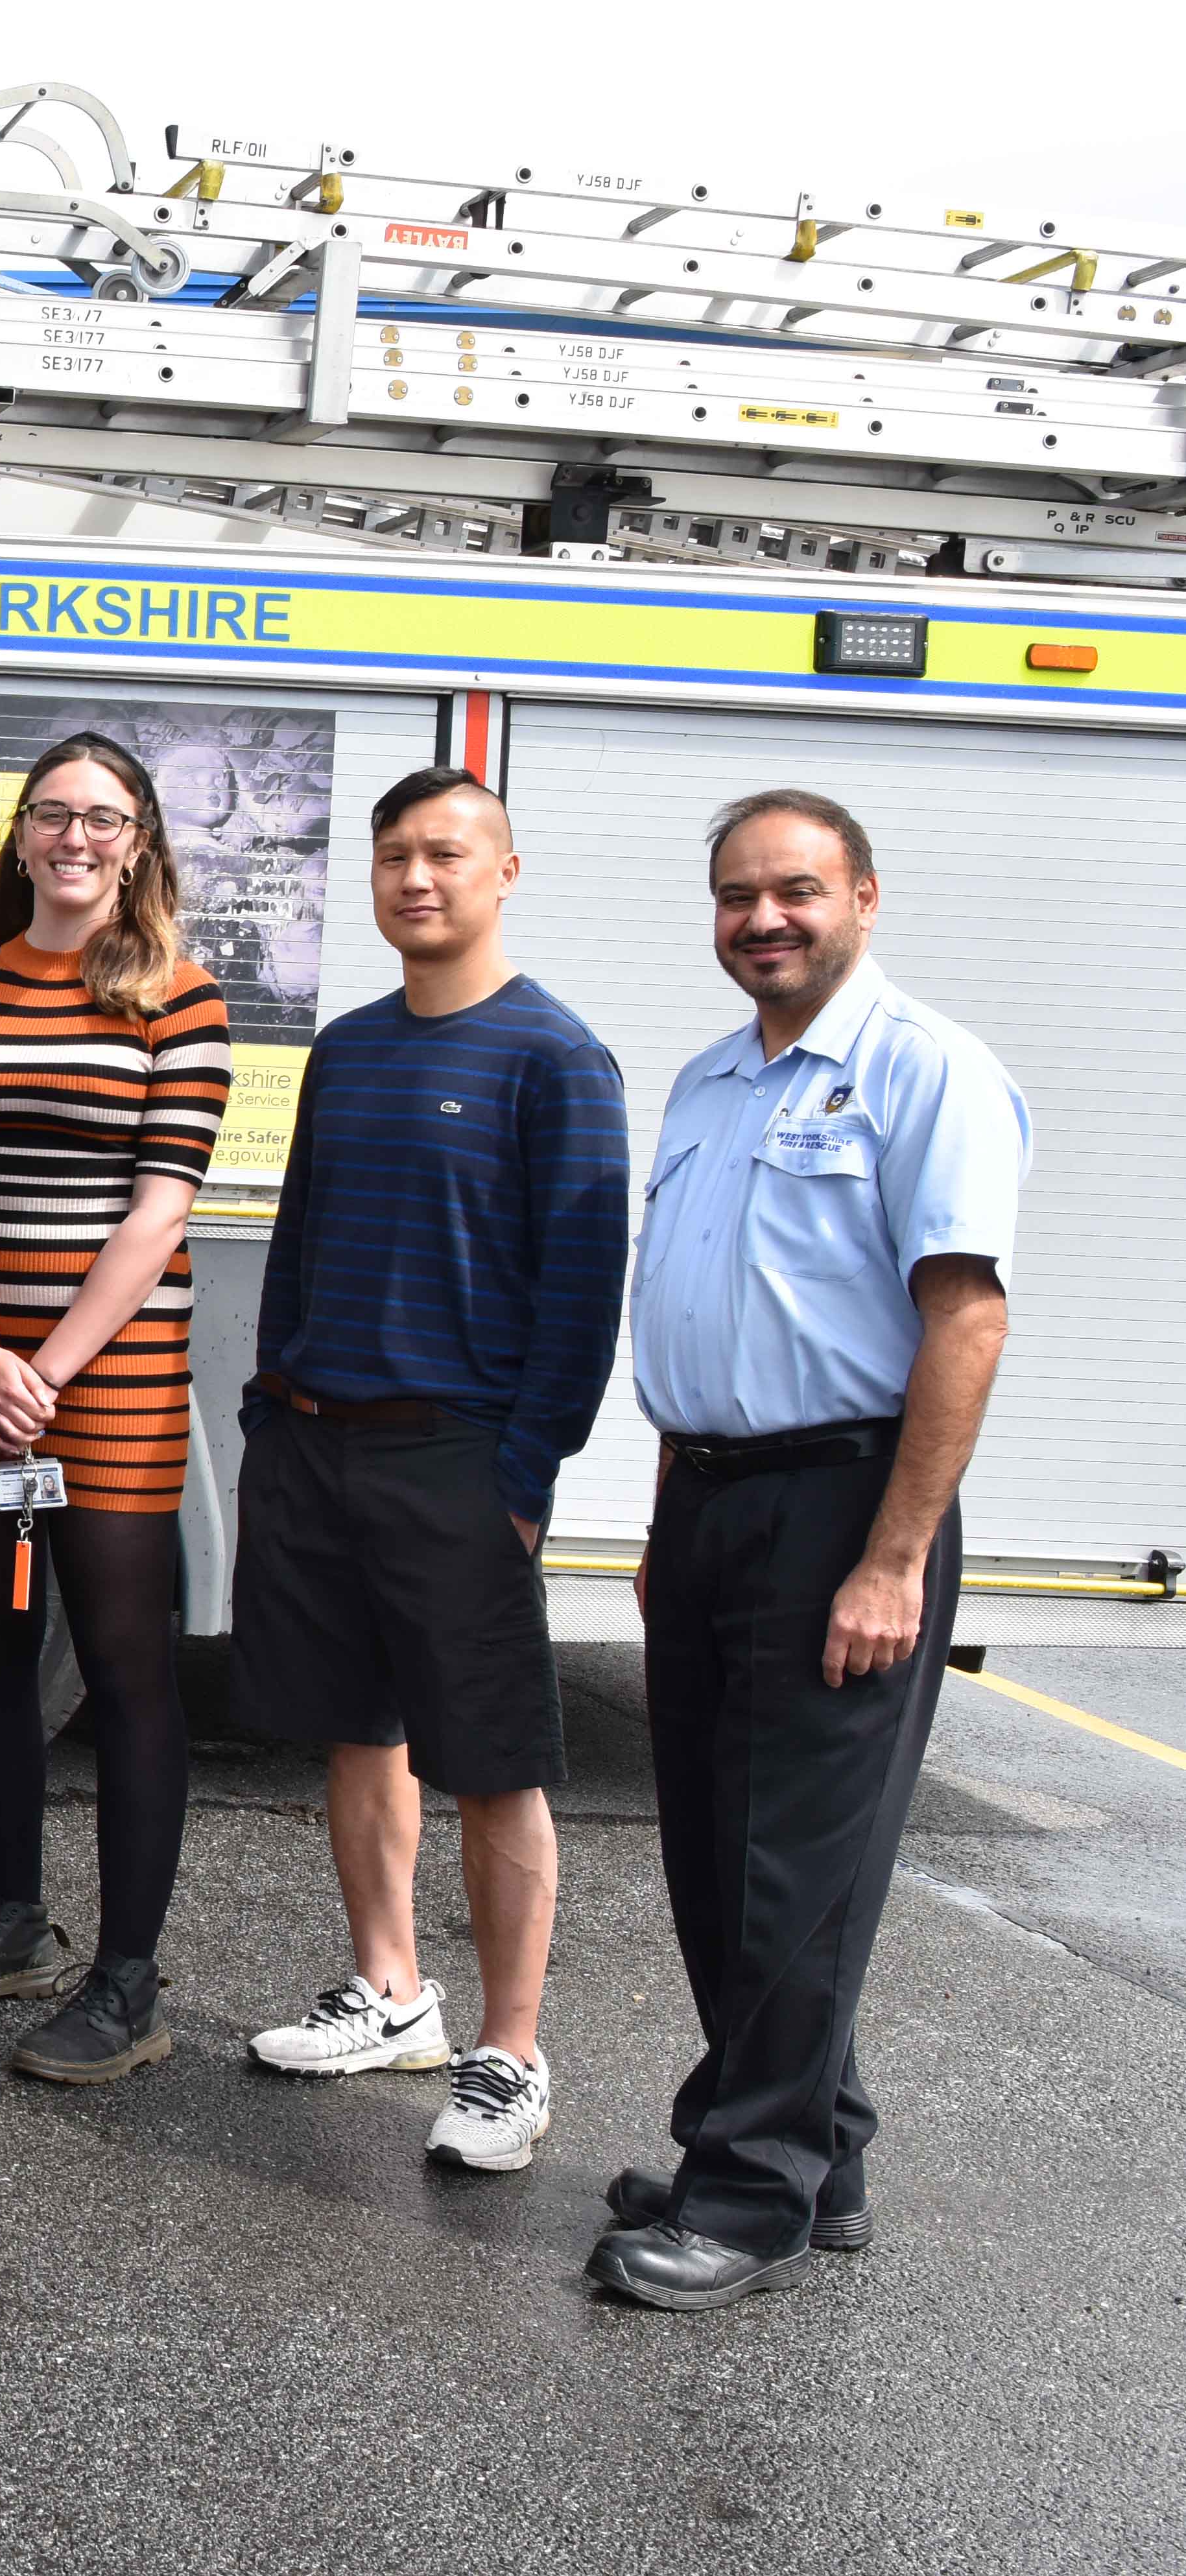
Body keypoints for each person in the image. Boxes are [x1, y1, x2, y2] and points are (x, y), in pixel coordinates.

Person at [593, 790, 1023, 2310]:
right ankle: (804, 2145)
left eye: (792, 890)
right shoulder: (714, 1078)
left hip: (844, 1502)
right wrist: (663, 1513)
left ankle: (750, 2193)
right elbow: (699, 1311)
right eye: (733, 896)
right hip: (709, 1500)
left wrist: (892, 1556)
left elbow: (961, 1319)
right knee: (716, 1847)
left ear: (862, 895)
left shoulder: (927, 1072)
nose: (760, 918)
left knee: (791, 1865)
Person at [230, 766, 628, 2177]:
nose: (416, 877)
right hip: (318, 1444)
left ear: (505, 870)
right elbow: (299, 1240)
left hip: (459, 1462)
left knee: (494, 1763)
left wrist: (521, 1477)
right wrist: (273, 1402)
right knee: (359, 1729)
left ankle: (509, 2055)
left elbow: (582, 1294)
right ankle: (392, 1992)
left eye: (446, 853)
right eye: (395, 854)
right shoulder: (346, 1047)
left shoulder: (555, 1058)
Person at [0, 733, 234, 2086]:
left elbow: (160, 1208)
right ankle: (11, 1923)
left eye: (104, 817)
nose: (76, 837)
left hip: (115, 1390)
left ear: (141, 840)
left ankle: (129, 1978)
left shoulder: (179, 996)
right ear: (21, 835)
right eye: (53, 814)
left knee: (122, 1665)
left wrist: (47, 1370)